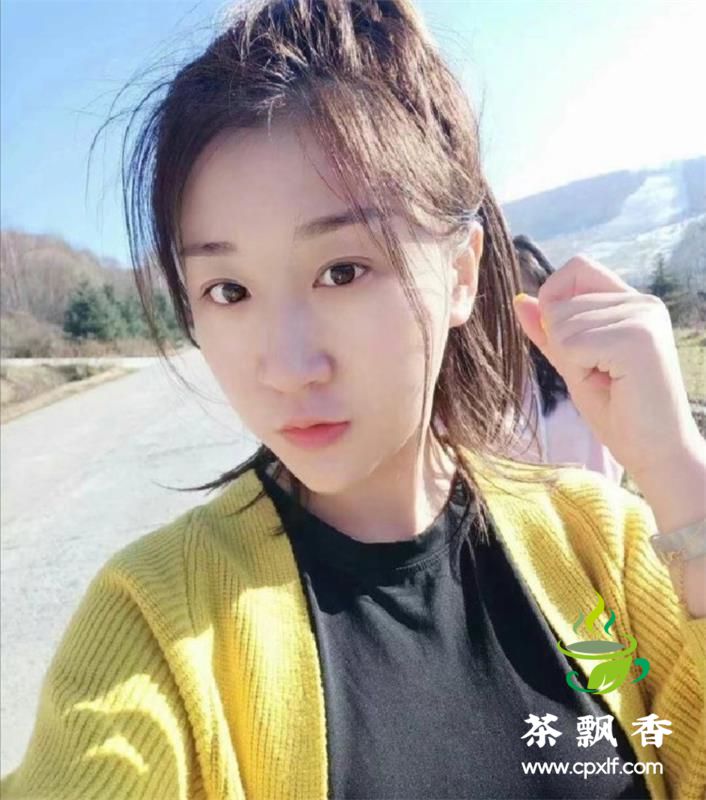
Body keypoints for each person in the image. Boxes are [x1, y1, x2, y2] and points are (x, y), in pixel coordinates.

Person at [2, 0, 705, 798]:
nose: (288, 367)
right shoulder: (157, 627)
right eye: (228, 290)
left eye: (342, 271)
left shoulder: (601, 543)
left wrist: (680, 472)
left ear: (462, 273)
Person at [507, 234, 625, 485]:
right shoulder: (487, 381)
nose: (521, 315)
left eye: (529, 297)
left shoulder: (582, 363)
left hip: (597, 502)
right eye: (510, 303)